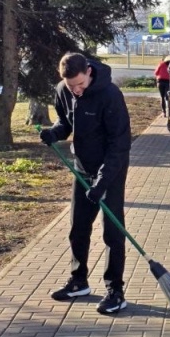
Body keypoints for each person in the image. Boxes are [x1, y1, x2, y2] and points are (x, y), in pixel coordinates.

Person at [40, 52, 132, 315]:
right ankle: (78, 280)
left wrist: (103, 182)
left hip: (111, 170)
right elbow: (65, 122)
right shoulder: (63, 90)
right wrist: (54, 134)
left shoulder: (110, 95)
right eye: (71, 86)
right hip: (82, 168)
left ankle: (115, 290)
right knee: (78, 227)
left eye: (80, 84)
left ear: (89, 72)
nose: (76, 91)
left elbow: (119, 144)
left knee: (112, 232)